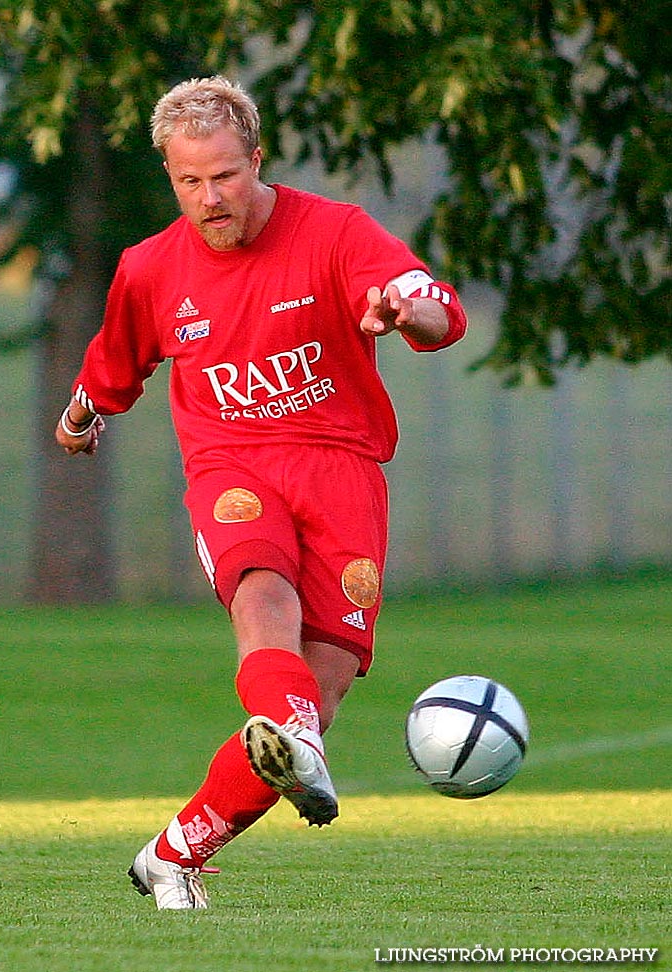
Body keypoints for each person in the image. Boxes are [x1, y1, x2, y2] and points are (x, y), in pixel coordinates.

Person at [54, 76, 467, 910]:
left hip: (343, 468)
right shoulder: (151, 267)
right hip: (233, 467)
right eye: (188, 181)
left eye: (226, 177)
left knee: (326, 677)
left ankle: (175, 854)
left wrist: (406, 304)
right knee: (262, 594)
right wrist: (81, 413)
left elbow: (433, 309)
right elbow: (115, 363)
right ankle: (298, 739)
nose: (209, 198)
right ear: (171, 177)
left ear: (258, 160)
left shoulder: (335, 233)